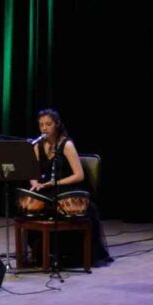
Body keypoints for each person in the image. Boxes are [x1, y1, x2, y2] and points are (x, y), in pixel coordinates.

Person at [27, 108, 111, 267]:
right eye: (41, 125)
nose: (44, 128)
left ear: (57, 125)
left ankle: (64, 254)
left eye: (48, 124)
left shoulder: (67, 144)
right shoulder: (37, 146)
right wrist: (35, 183)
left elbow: (79, 175)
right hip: (48, 189)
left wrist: (56, 183)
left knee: (54, 206)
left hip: (67, 188)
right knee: (29, 206)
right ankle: (45, 253)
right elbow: (33, 173)